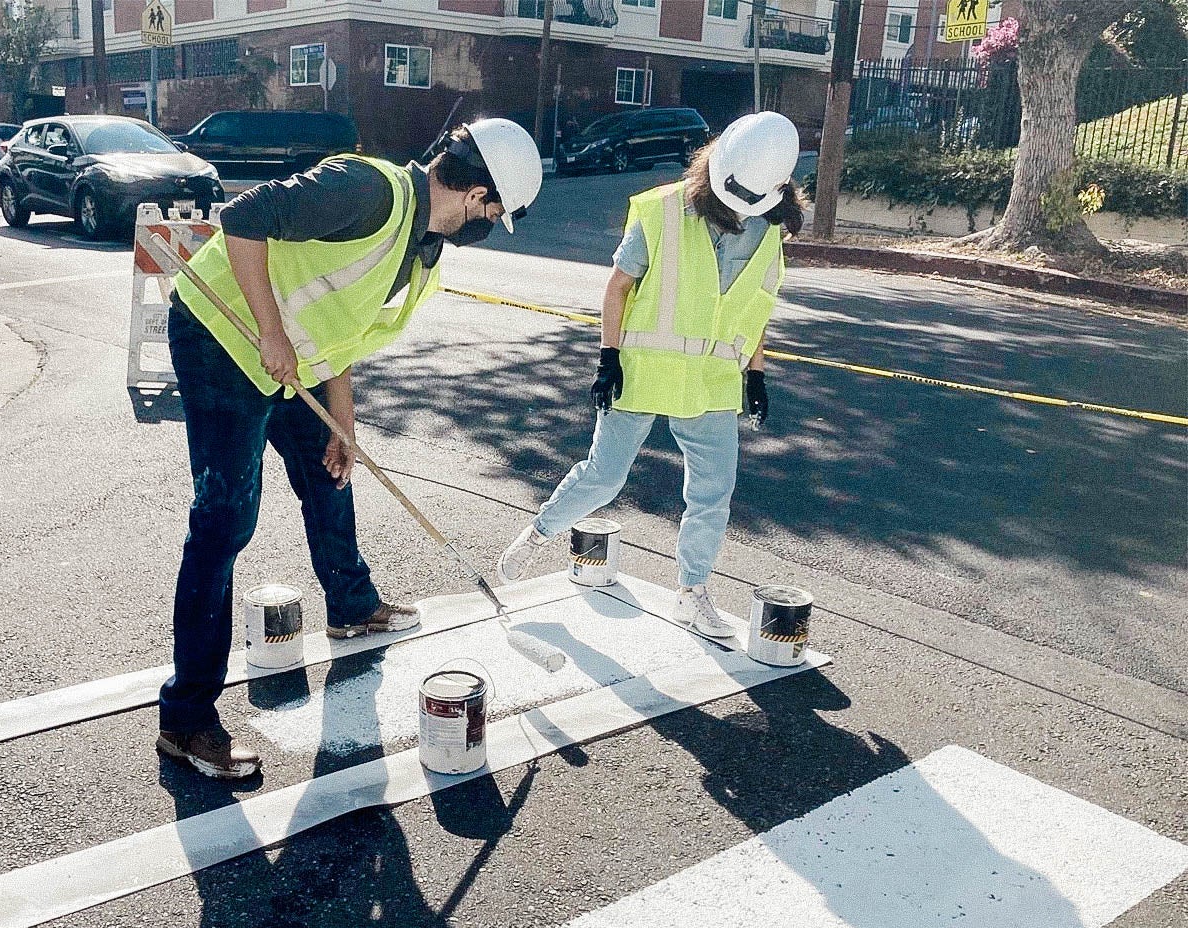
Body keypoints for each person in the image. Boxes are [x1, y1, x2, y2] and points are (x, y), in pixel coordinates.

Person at [159, 119, 545, 780]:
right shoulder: (368, 190)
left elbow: (342, 321)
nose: (488, 223)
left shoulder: (424, 250)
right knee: (224, 522)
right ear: (480, 194)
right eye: (495, 212)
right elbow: (243, 217)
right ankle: (187, 719)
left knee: (330, 470)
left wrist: (344, 415)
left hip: (293, 356)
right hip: (221, 336)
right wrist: (271, 333)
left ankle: (352, 605)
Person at [497, 112, 806, 637]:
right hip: (640, 370)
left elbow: (755, 311)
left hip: (711, 381)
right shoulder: (662, 210)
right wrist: (608, 355)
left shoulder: (772, 228)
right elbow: (617, 287)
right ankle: (539, 533)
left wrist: (756, 374)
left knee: (712, 490)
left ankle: (692, 591)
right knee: (605, 474)